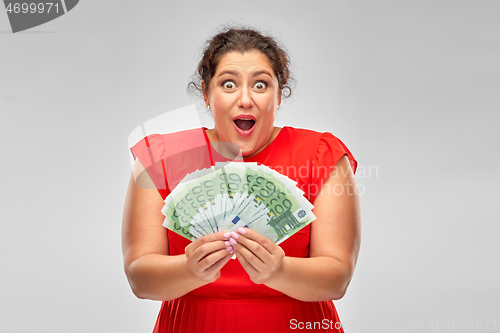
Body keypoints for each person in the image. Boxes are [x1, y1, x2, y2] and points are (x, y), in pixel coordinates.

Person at [122, 27, 361, 333]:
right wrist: (188, 268)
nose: (245, 99)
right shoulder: (161, 157)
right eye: (229, 84)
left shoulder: (323, 156)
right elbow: (140, 279)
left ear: (278, 94)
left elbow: (337, 278)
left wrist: (281, 270)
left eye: (260, 85)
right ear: (207, 94)